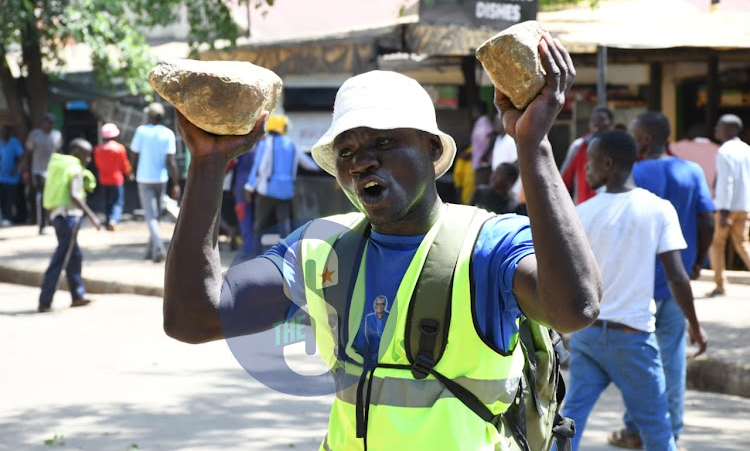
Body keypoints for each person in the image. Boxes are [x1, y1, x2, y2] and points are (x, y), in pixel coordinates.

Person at [163, 35, 602, 450]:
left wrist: (533, 144)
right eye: (346, 151)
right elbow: (193, 319)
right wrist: (208, 163)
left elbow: (574, 308)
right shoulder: (320, 248)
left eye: (384, 141)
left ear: (432, 149)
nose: (361, 161)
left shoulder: (487, 245)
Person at [561, 130, 707, 451]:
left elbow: (566, 276)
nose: (586, 169)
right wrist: (695, 326)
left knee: (568, 421)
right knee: (656, 426)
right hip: (632, 338)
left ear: (609, 164)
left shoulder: (582, 212)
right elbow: (678, 278)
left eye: (592, 162)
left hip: (587, 336)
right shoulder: (658, 209)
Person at [606, 111, 714, 449]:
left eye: (635, 134)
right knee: (672, 360)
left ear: (645, 139)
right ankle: (672, 431)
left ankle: (635, 429)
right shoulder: (691, 170)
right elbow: (707, 219)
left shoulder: (633, 173)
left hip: (637, 286)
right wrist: (698, 261)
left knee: (636, 360)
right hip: (676, 283)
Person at [38, 138, 101, 312]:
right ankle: (45, 300)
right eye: (86, 155)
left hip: (58, 216)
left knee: (75, 256)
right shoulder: (74, 168)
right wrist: (92, 217)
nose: (88, 160)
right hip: (69, 218)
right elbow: (75, 195)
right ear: (76, 153)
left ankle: (78, 295)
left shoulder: (58, 165)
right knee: (61, 258)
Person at [243, 114, 319, 255]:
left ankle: (255, 254)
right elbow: (307, 164)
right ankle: (286, 254)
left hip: (266, 190)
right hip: (286, 192)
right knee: (284, 225)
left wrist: (249, 187)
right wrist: (321, 167)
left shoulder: (265, 143)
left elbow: (258, 167)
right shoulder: (291, 144)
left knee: (260, 223)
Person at [130, 102, 180, 263]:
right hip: (161, 178)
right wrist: (176, 183)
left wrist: (131, 170)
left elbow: (135, 154)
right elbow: (171, 161)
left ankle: (158, 248)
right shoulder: (168, 133)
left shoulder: (141, 131)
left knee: (151, 216)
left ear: (150, 116)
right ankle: (149, 250)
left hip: (144, 178)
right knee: (156, 215)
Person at [708, 113, 750, 297]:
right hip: (744, 205)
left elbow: (726, 182)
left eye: (720, 125)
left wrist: (723, 211)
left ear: (731, 129)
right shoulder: (747, 149)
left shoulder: (725, 151)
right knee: (743, 244)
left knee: (716, 244)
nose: (716, 129)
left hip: (727, 206)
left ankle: (720, 285)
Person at [560, 105, 613, 204]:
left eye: (601, 119)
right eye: (593, 120)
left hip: (611, 206)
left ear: (610, 123)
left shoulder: (618, 146)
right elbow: (564, 181)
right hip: (583, 205)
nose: (596, 123)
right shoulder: (579, 146)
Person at [24, 113, 63, 234]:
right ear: (42, 123)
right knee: (42, 196)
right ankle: (42, 224)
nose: (50, 125)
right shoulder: (35, 135)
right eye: (48, 122)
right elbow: (29, 154)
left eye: (52, 123)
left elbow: (59, 152)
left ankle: (52, 220)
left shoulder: (57, 135)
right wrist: (27, 172)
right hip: (38, 170)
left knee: (53, 196)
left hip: (53, 170)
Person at [93, 123, 134, 231]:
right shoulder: (119, 148)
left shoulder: (98, 149)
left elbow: (98, 164)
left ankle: (108, 221)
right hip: (117, 179)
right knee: (117, 201)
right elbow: (125, 164)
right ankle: (114, 220)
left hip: (103, 179)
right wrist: (129, 174)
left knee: (107, 201)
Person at [669, 124, 720, 197]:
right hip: (710, 195)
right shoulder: (719, 149)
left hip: (687, 195)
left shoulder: (683, 146)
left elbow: (669, 146)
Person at [0, 125, 25, 226]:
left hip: (12, 178)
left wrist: (17, 169)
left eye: (3, 131)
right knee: (2, 199)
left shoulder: (14, 142)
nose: (1, 133)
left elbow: (21, 156)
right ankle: (4, 218)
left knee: (9, 199)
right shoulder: (1, 143)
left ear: (8, 132)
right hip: (1, 176)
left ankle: (8, 218)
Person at [470, 101, 494, 186]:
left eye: (474, 110)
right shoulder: (479, 122)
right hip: (478, 160)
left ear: (478, 110)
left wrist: (486, 154)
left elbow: (492, 137)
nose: (472, 112)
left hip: (484, 161)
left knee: (481, 185)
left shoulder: (485, 122)